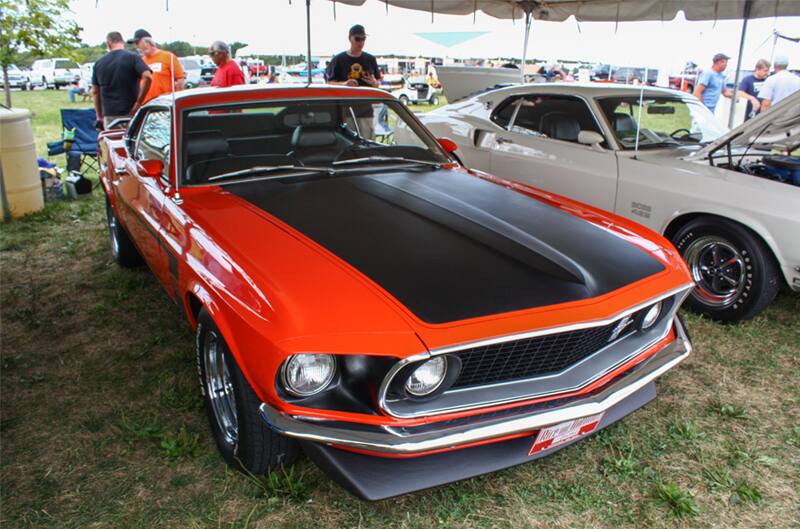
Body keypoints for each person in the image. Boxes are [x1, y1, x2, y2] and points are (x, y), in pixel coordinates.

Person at [325, 24, 383, 138]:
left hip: (366, 111)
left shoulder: (371, 59)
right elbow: (329, 83)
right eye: (357, 39)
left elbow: (378, 84)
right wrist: (345, 84)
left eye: (363, 39)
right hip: (345, 112)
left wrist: (374, 84)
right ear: (349, 39)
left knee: (367, 143)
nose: (360, 42)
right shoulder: (338, 60)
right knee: (349, 144)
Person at [92, 31, 152, 129]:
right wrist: (139, 102)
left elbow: (95, 91)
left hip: (110, 115)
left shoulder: (99, 63)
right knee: (132, 143)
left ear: (108, 44)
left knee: (112, 142)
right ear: (122, 42)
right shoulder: (133, 57)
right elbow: (148, 77)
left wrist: (99, 116)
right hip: (131, 112)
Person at [128, 29, 184, 103]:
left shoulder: (168, 56)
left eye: (137, 43)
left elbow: (180, 80)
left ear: (147, 42)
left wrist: (176, 102)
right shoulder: (141, 61)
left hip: (164, 104)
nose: (136, 46)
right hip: (146, 106)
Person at [693, 53, 759, 113]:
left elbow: (724, 91)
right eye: (725, 62)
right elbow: (697, 92)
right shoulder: (708, 73)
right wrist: (702, 109)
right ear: (719, 62)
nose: (726, 65)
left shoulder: (721, 76)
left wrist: (734, 96)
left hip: (712, 110)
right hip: (703, 109)